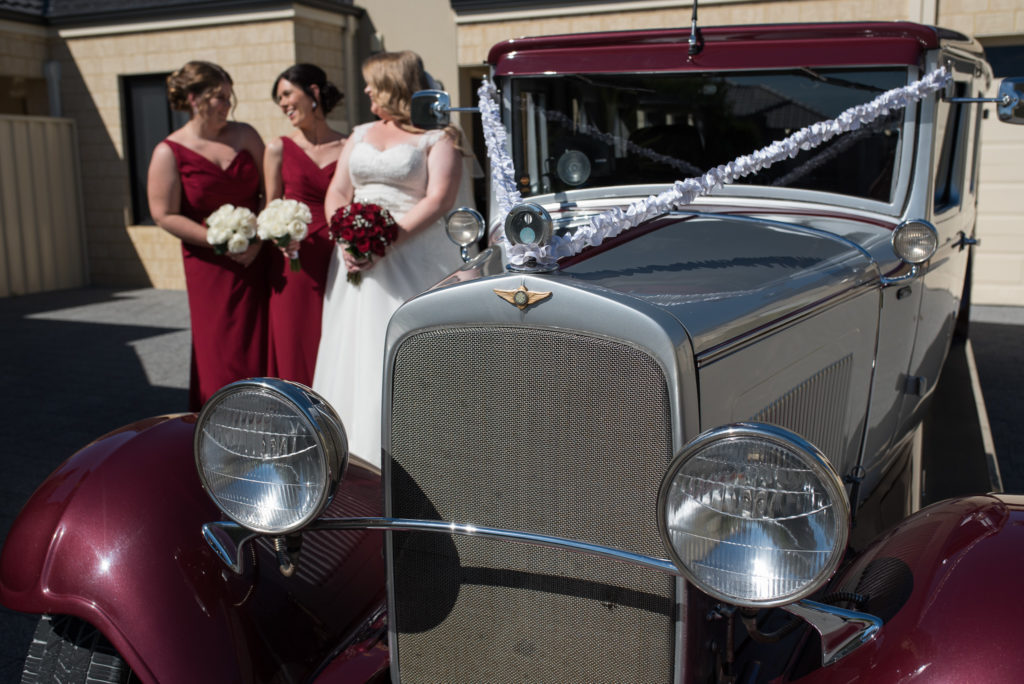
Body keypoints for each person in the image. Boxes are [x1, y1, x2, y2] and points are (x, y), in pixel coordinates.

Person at [313, 50, 464, 467]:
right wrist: (345, 238)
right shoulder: (359, 134)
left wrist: (385, 241)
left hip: (409, 256)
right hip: (353, 262)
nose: (364, 90)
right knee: (352, 347)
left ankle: (415, 448)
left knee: (398, 342)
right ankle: (349, 446)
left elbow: (439, 199)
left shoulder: (438, 138)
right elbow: (338, 193)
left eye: (371, 83)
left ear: (393, 86)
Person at [147, 60, 268, 411]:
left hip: (257, 258)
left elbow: (270, 192)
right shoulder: (168, 152)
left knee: (261, 343)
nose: (228, 106)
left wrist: (257, 238)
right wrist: (219, 240)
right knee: (218, 349)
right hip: (209, 266)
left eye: (230, 98)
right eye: (220, 98)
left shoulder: (246, 135)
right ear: (194, 98)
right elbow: (163, 214)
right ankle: (222, 429)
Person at [264, 64, 346, 386]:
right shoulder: (278, 148)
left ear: (313, 93)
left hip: (339, 260)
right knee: (296, 341)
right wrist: (278, 236)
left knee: (337, 338)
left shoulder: (349, 145)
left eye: (287, 94)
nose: (283, 104)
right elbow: (270, 205)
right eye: (279, 99)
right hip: (295, 263)